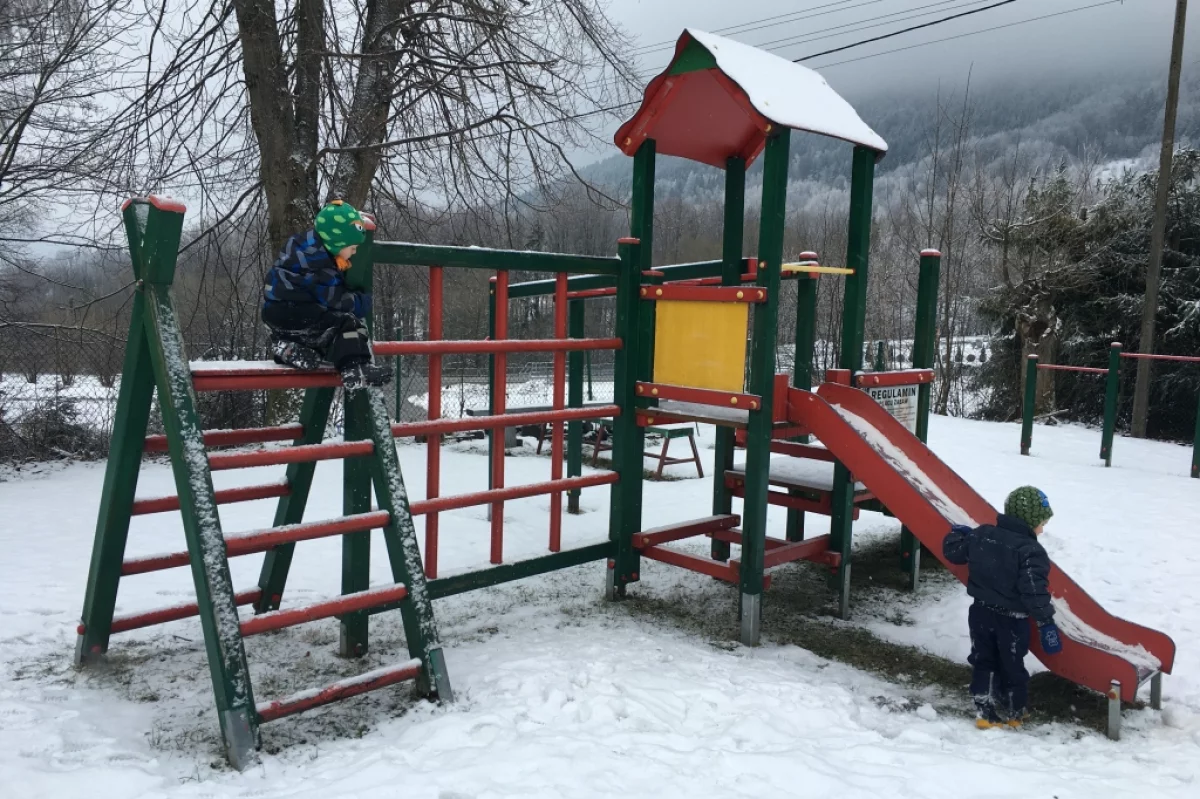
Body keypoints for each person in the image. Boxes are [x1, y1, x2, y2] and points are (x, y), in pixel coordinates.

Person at [942, 486, 1063, 729]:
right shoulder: (1031, 551)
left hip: (981, 614)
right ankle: (1014, 710)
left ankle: (984, 709)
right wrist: (1045, 621)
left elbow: (954, 553)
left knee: (984, 659)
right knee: (1012, 663)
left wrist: (957, 534)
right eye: (1042, 522)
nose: (1043, 528)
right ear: (1028, 521)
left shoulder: (982, 535)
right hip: (1013, 621)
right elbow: (1033, 591)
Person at [262, 199, 392, 389]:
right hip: (297, 312)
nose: (354, 253)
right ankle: (355, 369)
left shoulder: (302, 250)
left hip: (274, 314)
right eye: (352, 248)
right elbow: (337, 301)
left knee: (317, 331)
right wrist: (361, 302)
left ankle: (288, 348)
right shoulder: (321, 266)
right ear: (336, 242)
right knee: (345, 323)